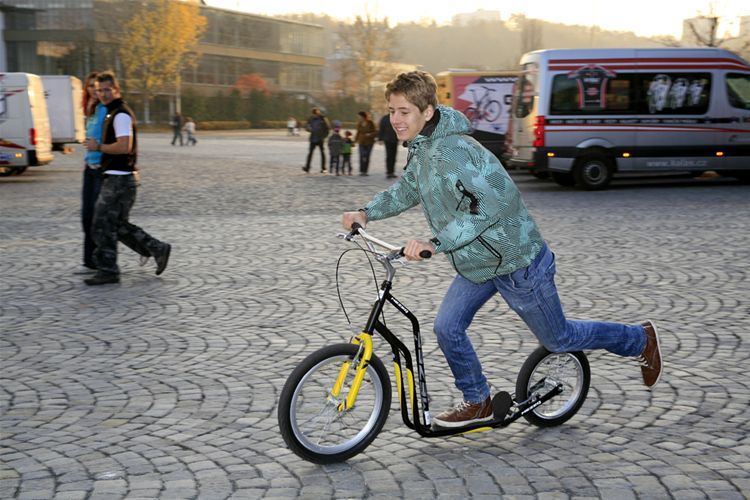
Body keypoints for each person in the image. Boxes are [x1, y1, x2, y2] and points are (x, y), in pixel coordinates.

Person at [342, 70, 663, 428]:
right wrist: (366, 212)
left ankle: (639, 338)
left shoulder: (458, 150)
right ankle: (478, 400)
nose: (396, 120)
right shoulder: (423, 148)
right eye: (392, 110)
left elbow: (494, 204)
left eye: (404, 111)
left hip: (517, 262)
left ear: (427, 112)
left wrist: (436, 241)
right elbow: (406, 191)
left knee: (559, 338)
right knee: (447, 327)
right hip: (479, 264)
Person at [84, 71, 171, 286]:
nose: (103, 94)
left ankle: (108, 270)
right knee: (117, 225)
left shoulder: (120, 114)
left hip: (119, 179)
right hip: (116, 178)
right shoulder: (110, 113)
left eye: (107, 90)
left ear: (116, 90)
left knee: (101, 224)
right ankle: (157, 248)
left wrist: (99, 147)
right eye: (100, 90)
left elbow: (125, 146)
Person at [77, 71, 108, 274]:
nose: (93, 91)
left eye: (97, 88)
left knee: (101, 218)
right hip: (89, 168)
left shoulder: (106, 110)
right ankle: (89, 260)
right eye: (90, 87)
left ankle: (152, 247)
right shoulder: (92, 110)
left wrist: (98, 147)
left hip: (103, 169)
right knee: (86, 215)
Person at [303, 107, 330, 173]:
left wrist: (324, 136)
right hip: (313, 138)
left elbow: (328, 128)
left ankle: (323, 168)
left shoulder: (323, 118)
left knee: (322, 153)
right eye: (314, 114)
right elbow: (306, 126)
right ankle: (307, 167)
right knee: (310, 153)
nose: (315, 115)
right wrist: (309, 129)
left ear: (318, 113)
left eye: (316, 113)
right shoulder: (311, 119)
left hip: (320, 138)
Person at [354, 111, 377, 176]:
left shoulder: (370, 123)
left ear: (363, 116)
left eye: (359, 116)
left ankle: (365, 171)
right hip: (361, 142)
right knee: (361, 156)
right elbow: (358, 132)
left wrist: (370, 134)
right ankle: (361, 171)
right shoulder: (359, 123)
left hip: (369, 142)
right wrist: (354, 141)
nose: (358, 118)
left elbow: (375, 132)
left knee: (367, 156)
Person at [378, 112, 399, 179]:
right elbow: (381, 129)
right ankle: (389, 172)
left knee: (392, 156)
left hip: (394, 139)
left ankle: (391, 172)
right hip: (389, 139)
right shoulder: (386, 118)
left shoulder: (396, 118)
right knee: (390, 156)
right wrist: (380, 138)